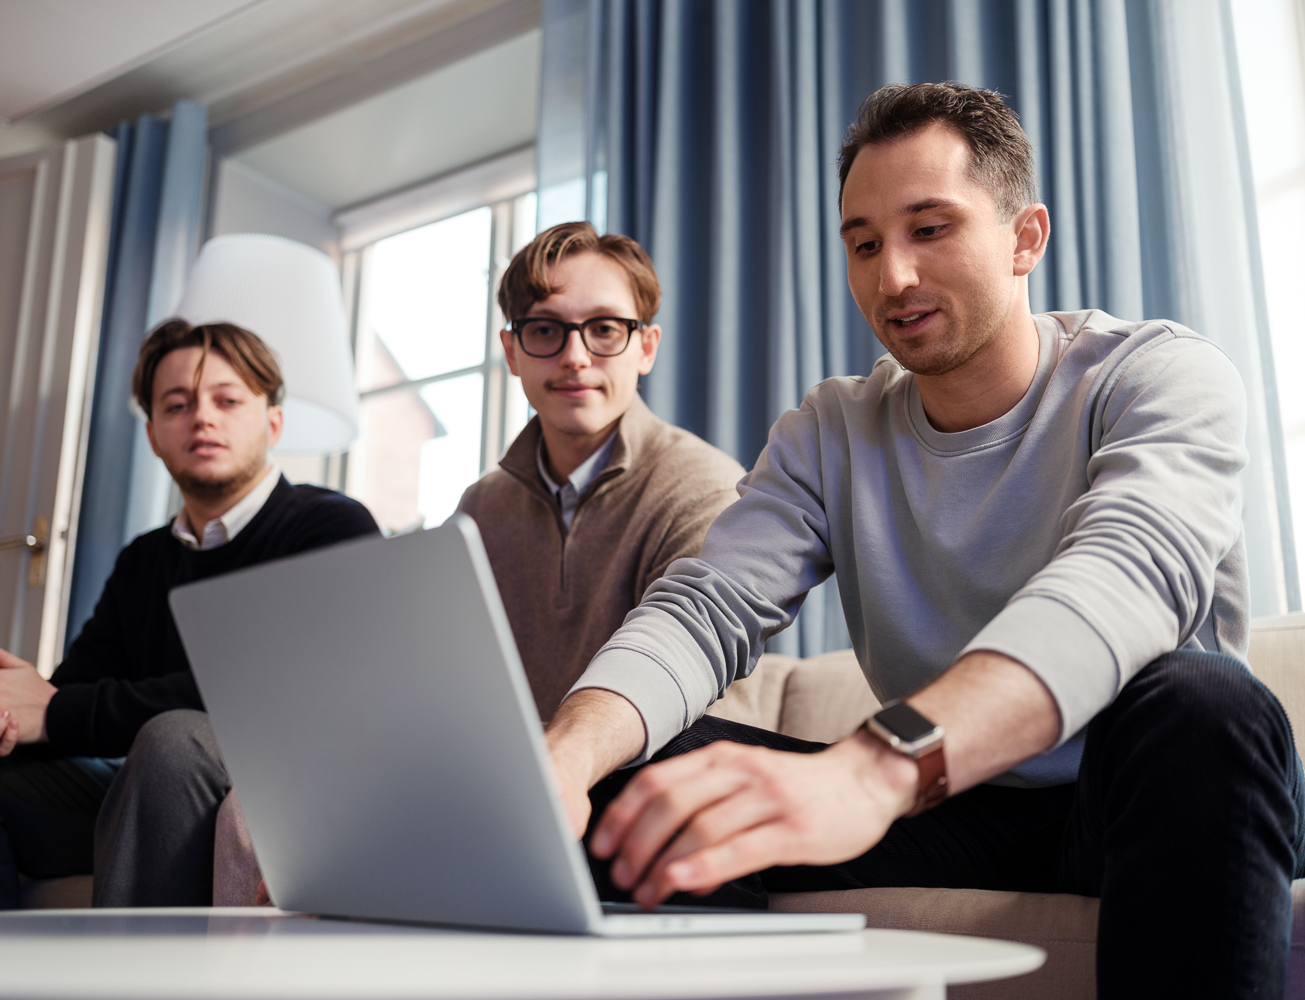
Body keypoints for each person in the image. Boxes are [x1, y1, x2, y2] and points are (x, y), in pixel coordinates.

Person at [544, 83, 1305, 998]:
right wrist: (566, 756)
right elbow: (705, 608)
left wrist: (875, 767)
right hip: (957, 805)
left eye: (929, 229)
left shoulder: (1159, 375)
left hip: (1145, 787)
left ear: (1025, 238)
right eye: (863, 244)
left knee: (1203, 701)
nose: (891, 277)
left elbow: (1119, 582)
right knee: (639, 782)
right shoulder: (830, 430)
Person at [0, 319, 379, 909]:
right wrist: (2, 710)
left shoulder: (332, 527)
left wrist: (57, 710)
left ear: (273, 423)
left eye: (227, 400)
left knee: (172, 742)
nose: (202, 418)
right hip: (152, 791)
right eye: (177, 405)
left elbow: (261, 696)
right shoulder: (143, 560)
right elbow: (69, 696)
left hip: (284, 794)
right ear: (153, 436)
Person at [457, 222, 745, 721]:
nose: (575, 358)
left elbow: (689, 697)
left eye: (605, 329)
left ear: (646, 348)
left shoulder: (706, 487)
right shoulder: (478, 508)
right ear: (511, 352)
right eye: (544, 329)